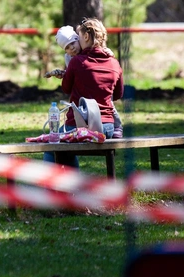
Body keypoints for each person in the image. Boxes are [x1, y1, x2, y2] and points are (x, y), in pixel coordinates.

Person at [44, 18, 124, 167]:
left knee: (51, 146)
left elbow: (66, 88)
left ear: (86, 36)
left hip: (79, 126)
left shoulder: (76, 62)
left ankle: (58, 185)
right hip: (107, 128)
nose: (75, 45)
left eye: (78, 37)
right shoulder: (114, 62)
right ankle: (72, 186)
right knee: (65, 149)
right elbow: (118, 95)